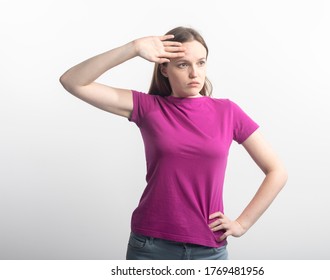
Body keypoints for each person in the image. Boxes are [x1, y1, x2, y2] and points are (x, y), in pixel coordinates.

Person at [59, 26, 288, 260]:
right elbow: (73, 81)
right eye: (182, 64)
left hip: (209, 249)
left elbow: (277, 171)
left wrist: (242, 224)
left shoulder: (228, 112)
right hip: (150, 247)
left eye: (201, 63)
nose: (194, 73)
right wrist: (133, 48)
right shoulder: (148, 107)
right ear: (164, 69)